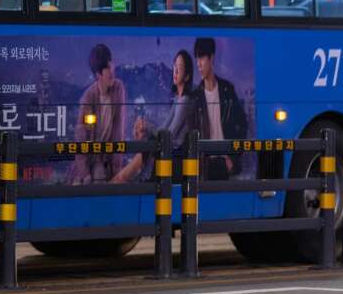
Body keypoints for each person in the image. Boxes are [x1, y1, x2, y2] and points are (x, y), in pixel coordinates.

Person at [117, 50, 198, 182]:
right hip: (168, 152)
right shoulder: (178, 99)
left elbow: (169, 134)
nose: (175, 71)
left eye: (180, 68)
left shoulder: (185, 101)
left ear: (187, 76)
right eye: (174, 66)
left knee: (127, 174)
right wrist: (146, 126)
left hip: (175, 157)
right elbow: (164, 127)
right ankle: (134, 176)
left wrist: (147, 127)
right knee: (149, 140)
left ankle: (133, 177)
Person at [188, 36, 250, 179]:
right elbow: (190, 133)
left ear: (211, 58)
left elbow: (242, 124)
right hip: (205, 165)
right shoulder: (195, 97)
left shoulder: (227, 89)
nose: (198, 64)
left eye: (201, 58)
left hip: (225, 163)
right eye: (197, 59)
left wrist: (233, 157)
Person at [67, 43, 127, 184]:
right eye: (107, 68)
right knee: (93, 177)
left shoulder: (118, 89)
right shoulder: (88, 97)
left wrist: (117, 168)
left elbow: (118, 130)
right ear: (98, 74)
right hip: (91, 158)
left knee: (102, 176)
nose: (112, 71)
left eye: (111, 65)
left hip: (107, 158)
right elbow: (81, 139)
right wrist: (85, 174)